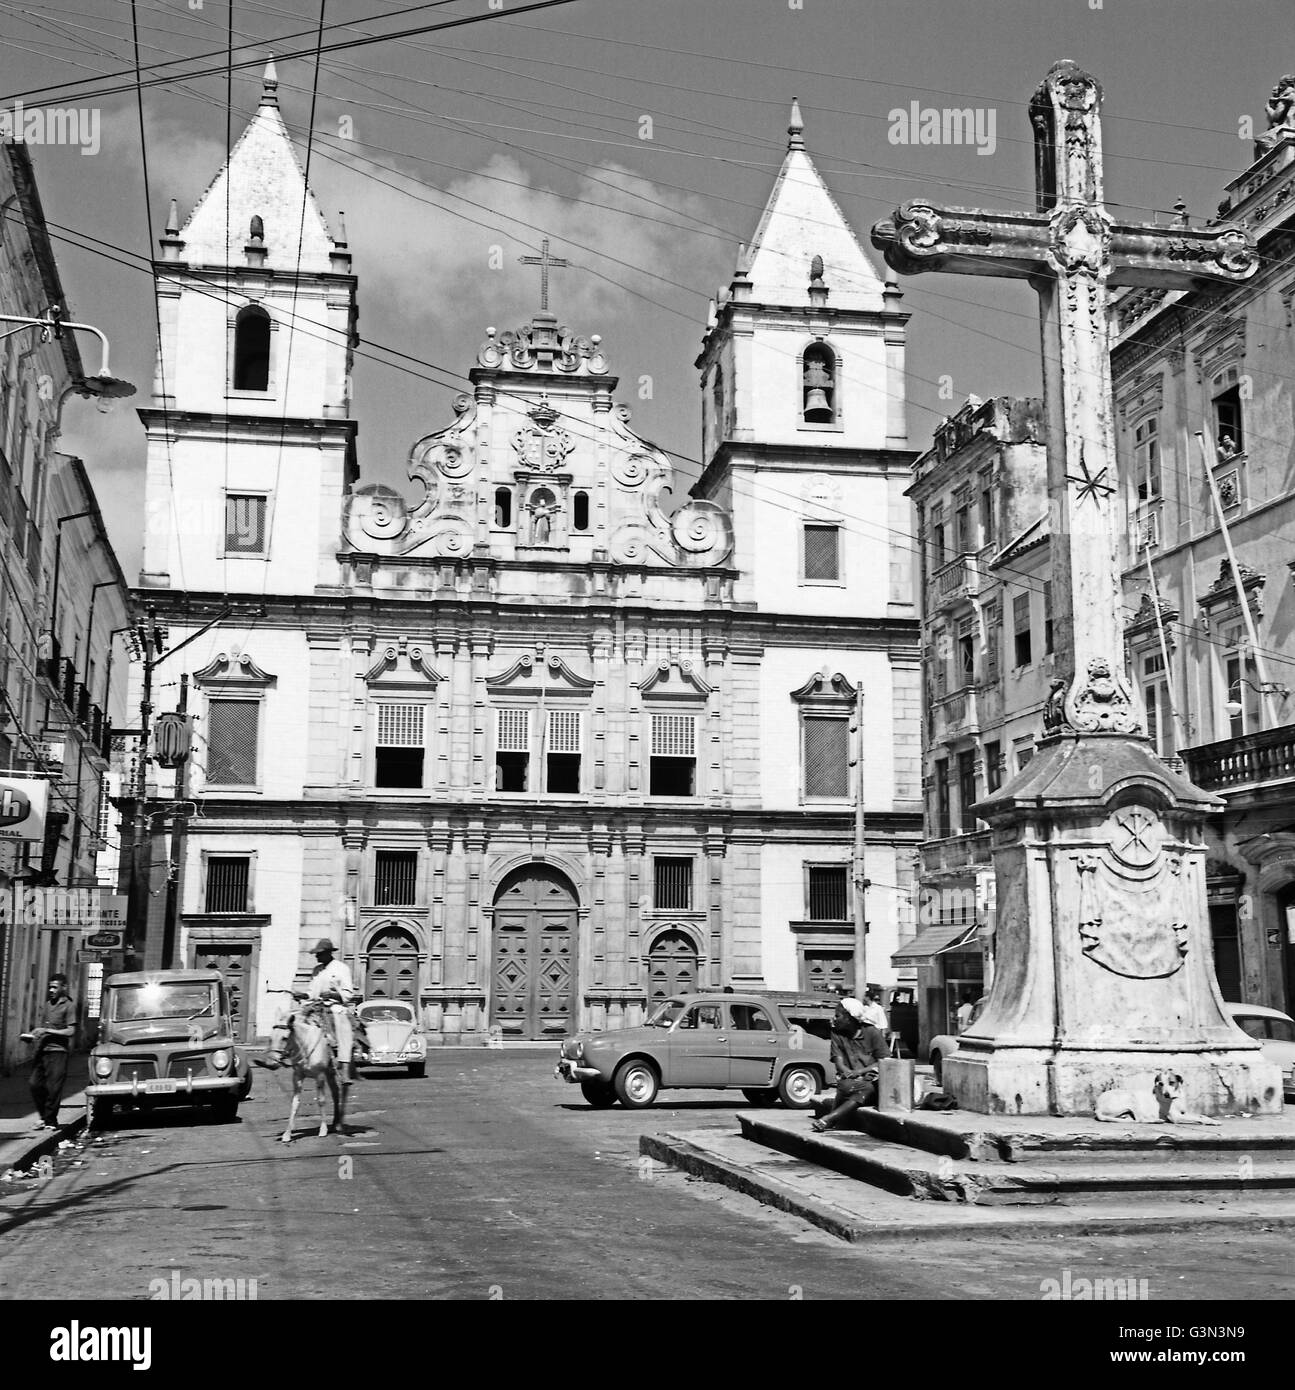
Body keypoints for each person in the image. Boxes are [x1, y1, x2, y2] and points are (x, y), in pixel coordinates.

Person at [812, 998, 888, 1132]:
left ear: (849, 1017)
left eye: (838, 1016)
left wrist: (859, 1073)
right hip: (849, 1082)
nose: (834, 1019)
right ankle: (830, 1118)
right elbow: (839, 1062)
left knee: (867, 1088)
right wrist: (850, 1074)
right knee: (846, 1085)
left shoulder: (872, 1032)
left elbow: (884, 1060)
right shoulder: (837, 1034)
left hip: (872, 1083)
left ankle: (830, 1118)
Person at [307, 939, 363, 1083]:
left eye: (319, 954)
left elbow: (348, 994)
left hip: (335, 1008)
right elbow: (311, 993)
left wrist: (332, 995)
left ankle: (344, 1072)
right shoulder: (316, 970)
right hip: (317, 1007)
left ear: (328, 953)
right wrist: (303, 995)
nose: (317, 957)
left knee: (343, 1033)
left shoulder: (341, 968)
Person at [29, 973, 76, 1130]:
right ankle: (43, 1116)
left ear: (64, 988)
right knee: (34, 1084)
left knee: (54, 1088)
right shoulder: (48, 1005)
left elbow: (70, 1031)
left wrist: (47, 1031)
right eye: (50, 987)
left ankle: (50, 1121)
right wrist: (33, 1035)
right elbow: (45, 1029)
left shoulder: (68, 1006)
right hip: (43, 1050)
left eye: (55, 987)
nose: (51, 990)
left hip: (58, 1052)